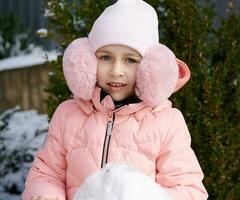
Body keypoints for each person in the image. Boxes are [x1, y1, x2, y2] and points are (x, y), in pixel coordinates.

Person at [22, 0, 208, 199]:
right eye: (105, 58)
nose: (116, 71)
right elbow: (47, 174)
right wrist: (45, 196)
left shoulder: (167, 122)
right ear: (88, 61)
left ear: (150, 68)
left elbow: (188, 189)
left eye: (130, 60)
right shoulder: (68, 115)